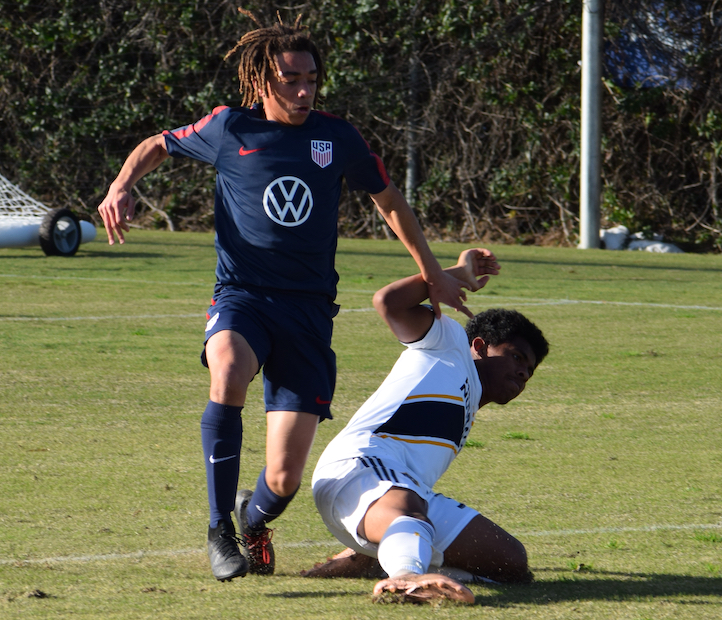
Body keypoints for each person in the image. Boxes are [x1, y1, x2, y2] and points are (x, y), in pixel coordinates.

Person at [96, 11, 471, 582]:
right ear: (261, 82)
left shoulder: (337, 137)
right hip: (243, 295)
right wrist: (122, 185)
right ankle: (220, 527)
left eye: (311, 80)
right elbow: (157, 145)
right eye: (289, 80)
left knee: (285, 478)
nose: (302, 91)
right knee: (226, 370)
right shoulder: (229, 128)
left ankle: (253, 518)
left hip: (308, 312)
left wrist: (432, 271)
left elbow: (389, 201)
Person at [304, 248, 549, 604]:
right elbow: (388, 301)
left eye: (530, 370)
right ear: (479, 346)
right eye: (516, 357)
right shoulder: (449, 345)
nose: (523, 373)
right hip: (357, 468)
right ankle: (404, 576)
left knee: (510, 561)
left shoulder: (466, 408)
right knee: (409, 506)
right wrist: (454, 275)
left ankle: (380, 557)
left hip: (401, 497)